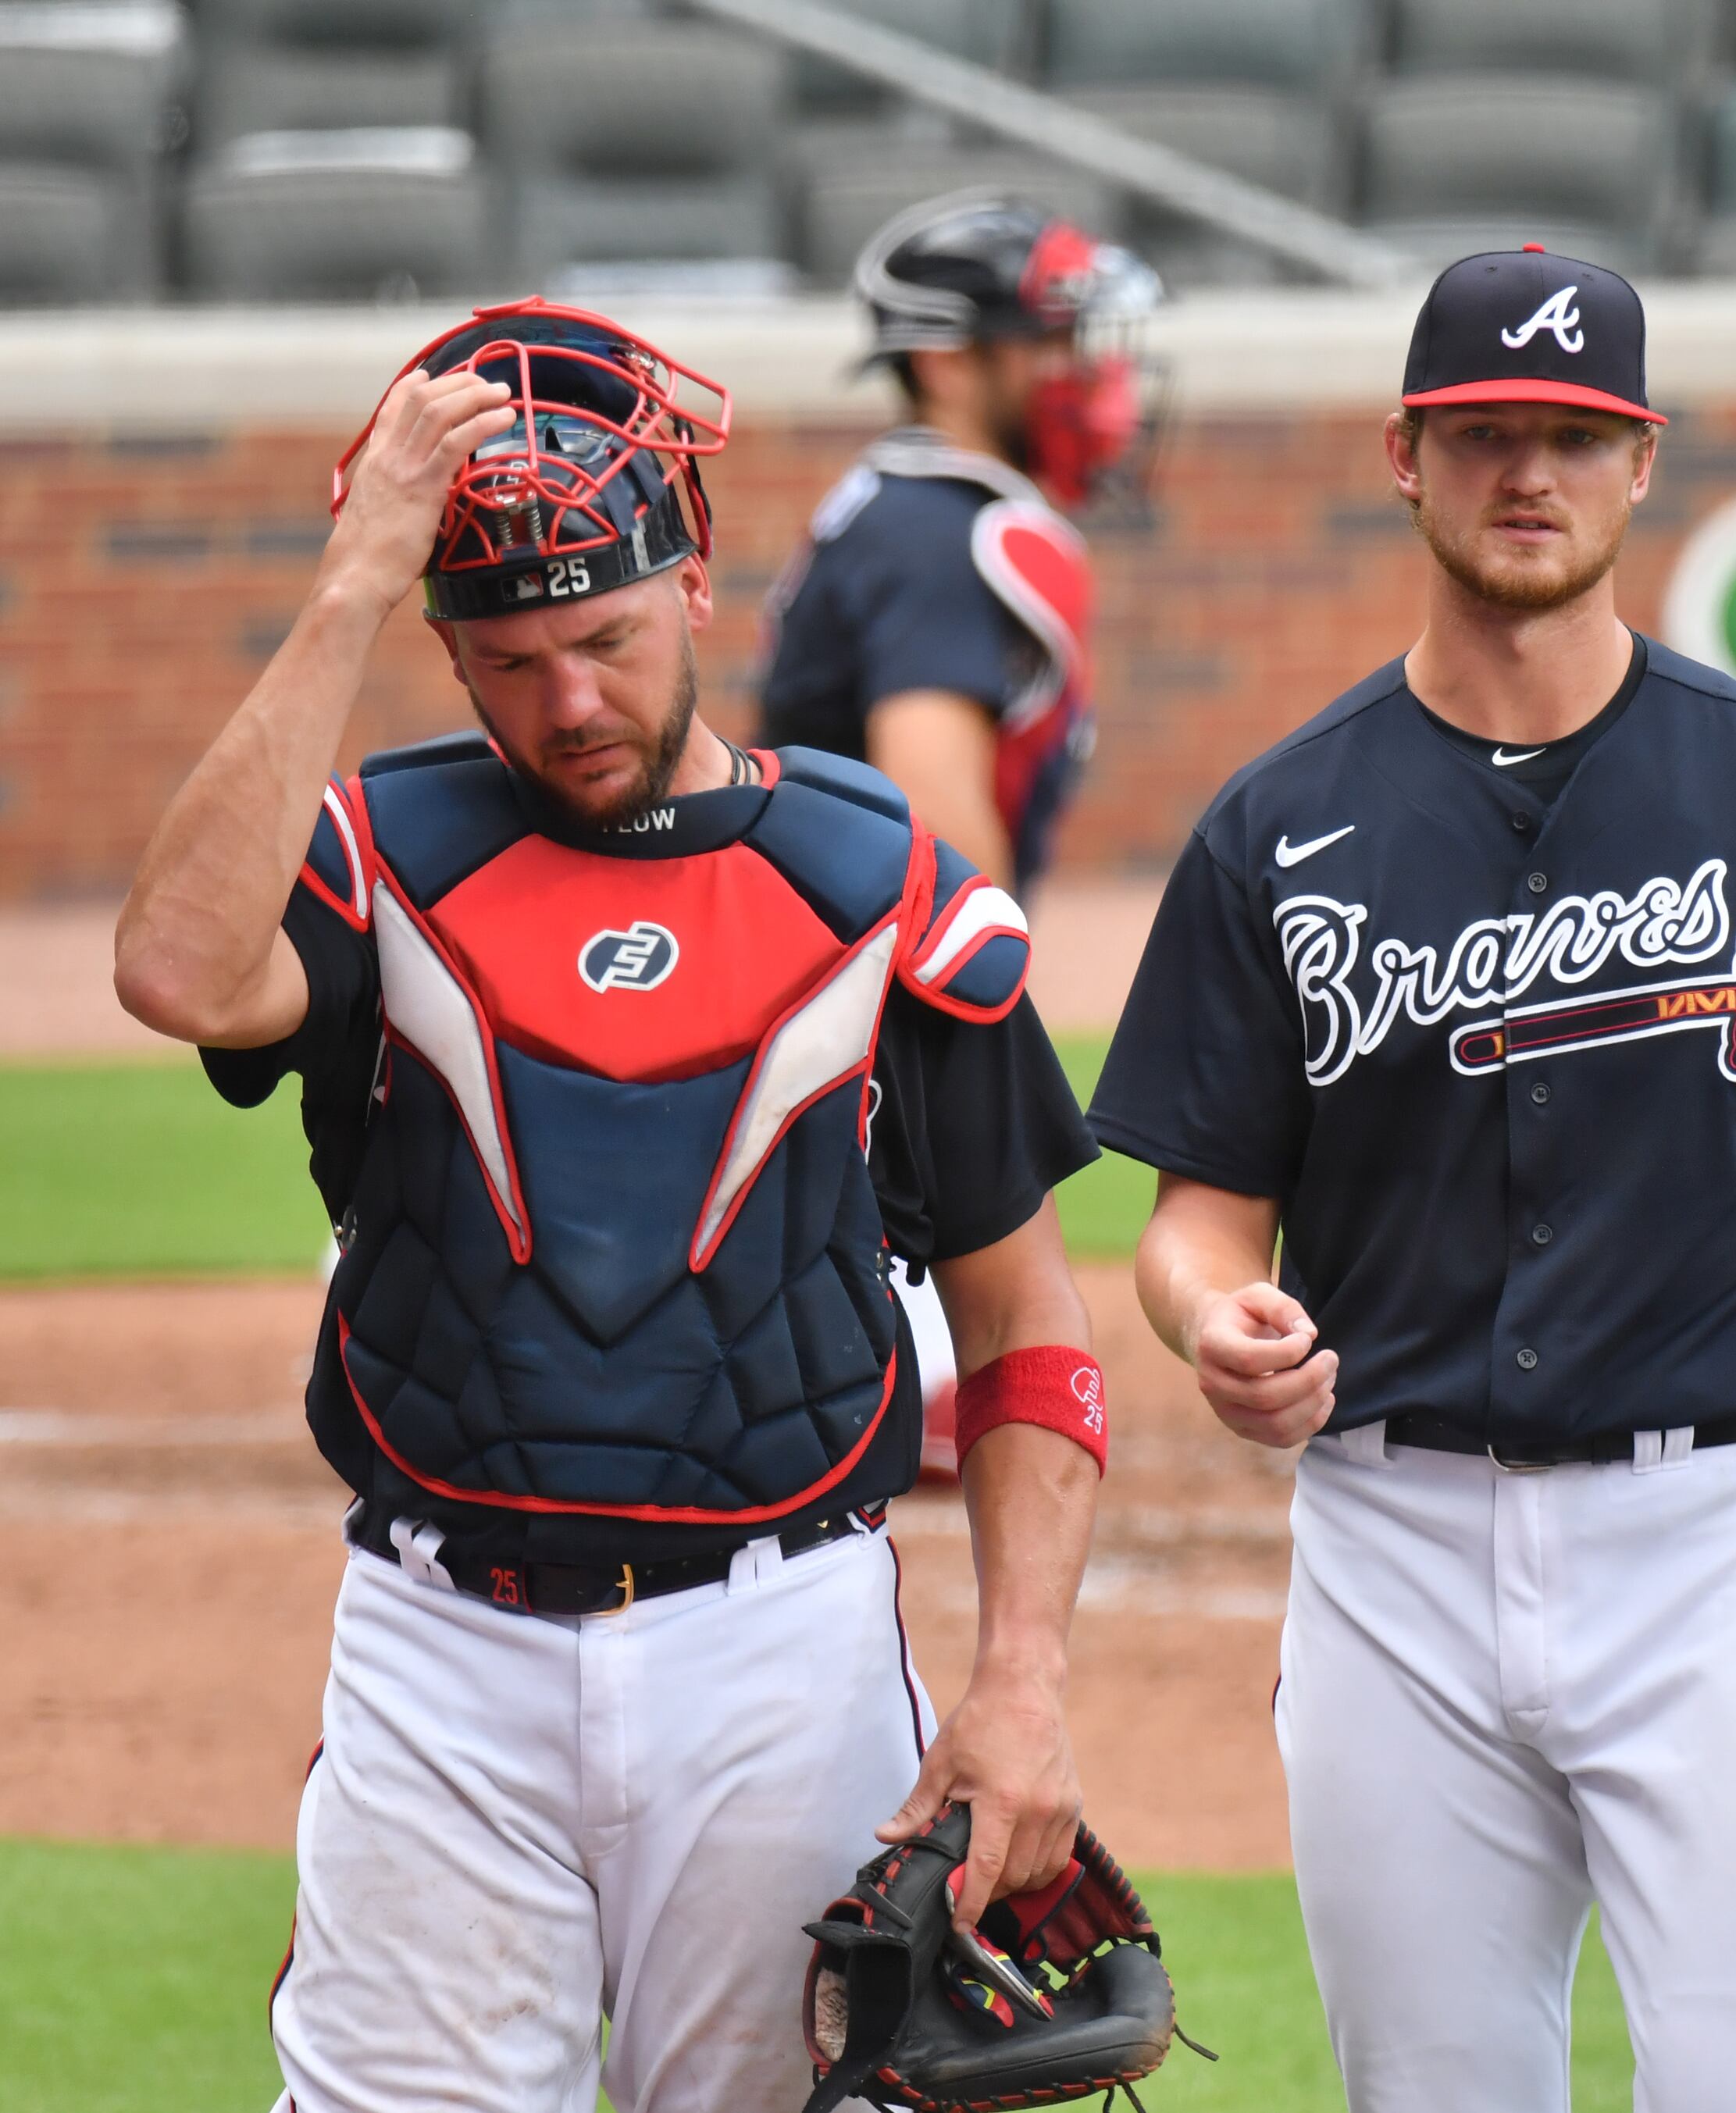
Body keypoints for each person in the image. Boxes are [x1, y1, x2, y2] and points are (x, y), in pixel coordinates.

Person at [110, 299, 1114, 2113]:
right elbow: (178, 969)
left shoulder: (882, 884)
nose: (569, 701)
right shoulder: (371, 860)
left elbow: (1029, 1330)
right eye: (505, 659)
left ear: (699, 585)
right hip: (443, 1648)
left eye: (605, 637)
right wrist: (351, 582)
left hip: (782, 1654)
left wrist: (1020, 1680)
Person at [1086, 246, 1736, 2112]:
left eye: (1575, 435)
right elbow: (1194, 1214)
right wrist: (1209, 1314)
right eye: (1487, 432)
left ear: (1640, 460)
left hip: (1711, 1547)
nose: (1532, 472)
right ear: (1406, 457)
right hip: (1390, 1548)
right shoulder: (1275, 825)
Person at [760, 190, 1157, 896]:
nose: (1083, 371)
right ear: (946, 365)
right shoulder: (940, 536)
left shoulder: (907, 508)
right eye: (1048, 342)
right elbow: (937, 838)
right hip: (875, 985)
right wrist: (995, 999)